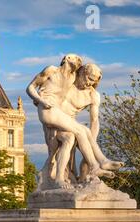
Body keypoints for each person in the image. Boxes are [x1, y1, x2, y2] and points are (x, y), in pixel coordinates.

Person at [26, 55, 120, 188]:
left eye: (93, 82)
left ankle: (61, 178)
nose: (89, 84)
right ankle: (99, 163)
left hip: (64, 122)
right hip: (53, 120)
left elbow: (95, 121)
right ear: (82, 72)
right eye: (88, 79)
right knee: (82, 130)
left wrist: (89, 144)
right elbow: (33, 88)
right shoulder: (63, 75)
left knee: (71, 137)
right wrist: (40, 100)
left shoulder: (88, 91)